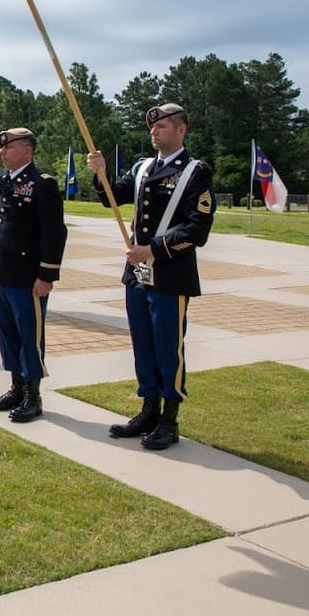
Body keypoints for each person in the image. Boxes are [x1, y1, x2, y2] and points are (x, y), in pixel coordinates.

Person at [87, 103, 216, 451]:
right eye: (152, 127)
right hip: (138, 274)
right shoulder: (144, 168)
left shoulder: (193, 172)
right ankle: (148, 409)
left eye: (162, 126)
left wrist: (154, 249)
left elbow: (197, 229)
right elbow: (112, 197)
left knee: (167, 347)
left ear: (181, 130)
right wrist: (100, 174)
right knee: (143, 344)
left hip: (170, 273)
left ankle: (169, 419)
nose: (154, 131)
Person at [0, 128, 67, 423]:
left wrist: (46, 274)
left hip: (27, 276)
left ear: (27, 149)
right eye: (0, 149)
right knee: (8, 334)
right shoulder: (4, 181)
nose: (2, 153)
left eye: (8, 148)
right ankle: (15, 387)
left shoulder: (41, 184)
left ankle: (32, 395)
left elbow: (54, 232)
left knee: (29, 336)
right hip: (1, 271)